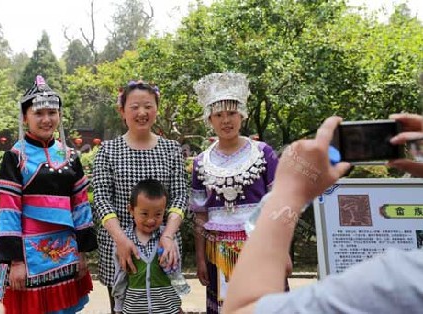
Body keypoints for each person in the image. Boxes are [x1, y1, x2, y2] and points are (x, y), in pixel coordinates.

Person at [222, 113, 423, 313]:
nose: (226, 120)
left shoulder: (397, 280)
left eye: (231, 113)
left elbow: (240, 309)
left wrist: (289, 193)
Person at [0, 75, 97, 314]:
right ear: (24, 117)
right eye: (38, 113)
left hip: (67, 256)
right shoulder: (16, 157)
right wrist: (16, 261)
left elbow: (80, 207)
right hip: (29, 259)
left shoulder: (71, 156)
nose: (46, 119)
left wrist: (82, 253)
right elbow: (9, 211)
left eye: (52, 112)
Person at [191, 72, 289, 313]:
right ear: (209, 120)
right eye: (219, 115)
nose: (226, 120)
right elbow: (200, 215)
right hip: (219, 253)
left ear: (242, 115)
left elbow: (279, 205)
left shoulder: (263, 153)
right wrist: (201, 258)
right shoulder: (201, 162)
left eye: (232, 113)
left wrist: (283, 252)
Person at [92, 80, 188, 313]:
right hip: (119, 248)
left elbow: (180, 197)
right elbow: (102, 199)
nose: (142, 112)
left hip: (164, 247)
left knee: (165, 305)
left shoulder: (171, 150)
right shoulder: (108, 151)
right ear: (122, 111)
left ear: (156, 108)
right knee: (124, 306)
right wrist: (121, 240)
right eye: (134, 107)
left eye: (148, 106)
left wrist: (167, 236)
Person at [111, 179, 182, 314]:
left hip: (167, 309)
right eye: (144, 213)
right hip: (134, 309)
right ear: (131, 210)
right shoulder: (123, 242)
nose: (151, 220)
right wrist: (119, 308)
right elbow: (120, 277)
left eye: (158, 214)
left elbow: (177, 275)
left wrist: (177, 305)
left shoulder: (168, 240)